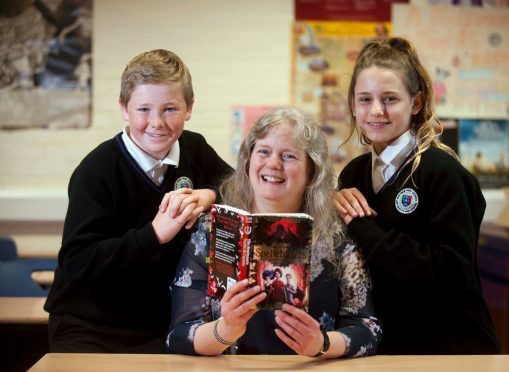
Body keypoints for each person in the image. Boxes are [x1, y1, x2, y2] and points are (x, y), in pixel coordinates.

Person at [44, 49, 233, 353]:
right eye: (143, 109)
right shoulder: (97, 171)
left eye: (170, 109)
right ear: (124, 109)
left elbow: (236, 185)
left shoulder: (194, 148)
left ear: (189, 108)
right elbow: (77, 262)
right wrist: (154, 234)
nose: (156, 122)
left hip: (160, 324)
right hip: (91, 327)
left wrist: (208, 194)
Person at [167, 108, 382, 357]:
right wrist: (225, 330)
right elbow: (179, 335)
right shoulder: (211, 231)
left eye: (289, 156)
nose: (273, 164)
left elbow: (368, 329)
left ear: (312, 171)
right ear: (248, 161)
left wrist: (321, 344)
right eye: (264, 152)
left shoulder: (337, 237)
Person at [334, 37, 500, 355]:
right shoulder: (352, 175)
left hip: (449, 349)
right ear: (353, 105)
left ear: (417, 103)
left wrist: (360, 225)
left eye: (390, 99)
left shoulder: (444, 174)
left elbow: (448, 274)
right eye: (365, 99)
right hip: (382, 347)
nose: (376, 110)